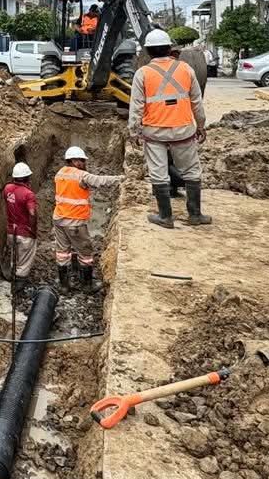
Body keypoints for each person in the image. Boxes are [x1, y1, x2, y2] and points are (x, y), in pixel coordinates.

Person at [130, 28, 210, 229]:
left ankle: (166, 217)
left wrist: (133, 131)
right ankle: (195, 215)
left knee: (158, 173)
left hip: (155, 132)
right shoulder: (185, 69)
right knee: (192, 171)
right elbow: (197, 103)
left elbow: (136, 106)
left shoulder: (143, 73)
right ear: (169, 48)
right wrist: (201, 125)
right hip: (183, 130)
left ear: (148, 52)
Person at [53, 145, 123, 291]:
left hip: (59, 219)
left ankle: (64, 284)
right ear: (74, 161)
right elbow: (99, 181)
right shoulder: (81, 175)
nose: (84, 164)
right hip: (75, 222)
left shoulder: (60, 173)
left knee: (62, 252)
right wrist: (120, 179)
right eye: (82, 161)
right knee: (85, 253)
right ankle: (87, 284)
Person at [3, 162, 38, 281]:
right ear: (28, 177)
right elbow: (32, 213)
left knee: (15, 255)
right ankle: (19, 285)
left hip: (10, 232)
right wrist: (32, 230)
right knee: (24, 262)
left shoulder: (7, 189)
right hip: (24, 233)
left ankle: (12, 274)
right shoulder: (28, 194)